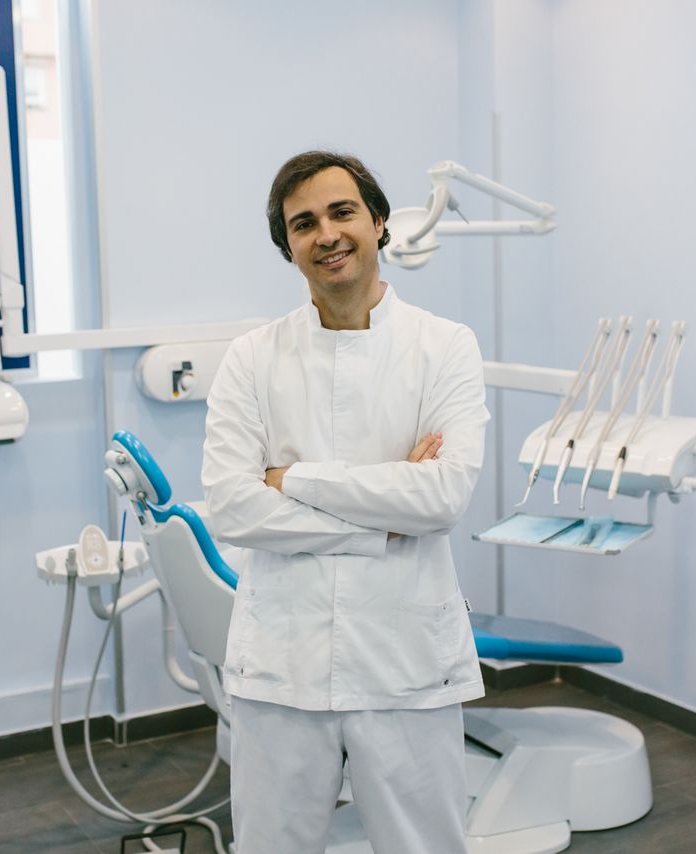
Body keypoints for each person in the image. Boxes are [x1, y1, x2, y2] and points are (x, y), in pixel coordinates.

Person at [201, 150, 490, 853]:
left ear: (379, 222)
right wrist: (378, 525)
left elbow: (441, 497)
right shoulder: (252, 357)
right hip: (284, 659)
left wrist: (292, 479)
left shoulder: (444, 347)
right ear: (288, 247)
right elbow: (232, 507)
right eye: (304, 224)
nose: (326, 234)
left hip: (405, 656)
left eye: (342, 212)